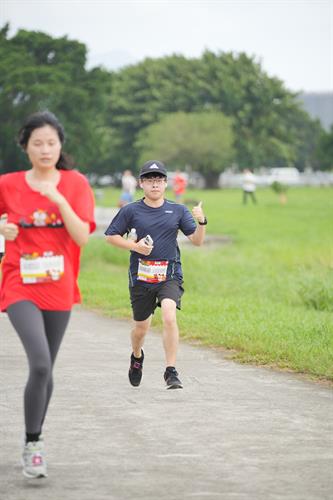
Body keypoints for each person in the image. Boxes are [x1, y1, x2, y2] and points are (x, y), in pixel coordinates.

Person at [0, 111, 96, 479]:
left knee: (46, 370)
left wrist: (58, 199)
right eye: (37, 143)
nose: (45, 149)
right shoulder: (8, 184)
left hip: (58, 285)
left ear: (60, 146)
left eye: (51, 143)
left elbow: (82, 237)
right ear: (25, 146)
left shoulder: (75, 184)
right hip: (18, 282)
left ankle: (33, 440)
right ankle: (34, 443)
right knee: (39, 363)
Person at [105, 160, 206, 390]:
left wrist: (201, 221)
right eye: (149, 180)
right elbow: (111, 236)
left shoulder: (178, 210)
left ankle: (171, 371)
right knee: (141, 329)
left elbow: (197, 241)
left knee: (169, 315)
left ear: (165, 183)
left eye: (159, 180)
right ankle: (137, 356)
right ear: (141, 183)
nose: (154, 184)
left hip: (169, 274)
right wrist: (134, 247)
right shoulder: (130, 210)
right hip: (141, 277)